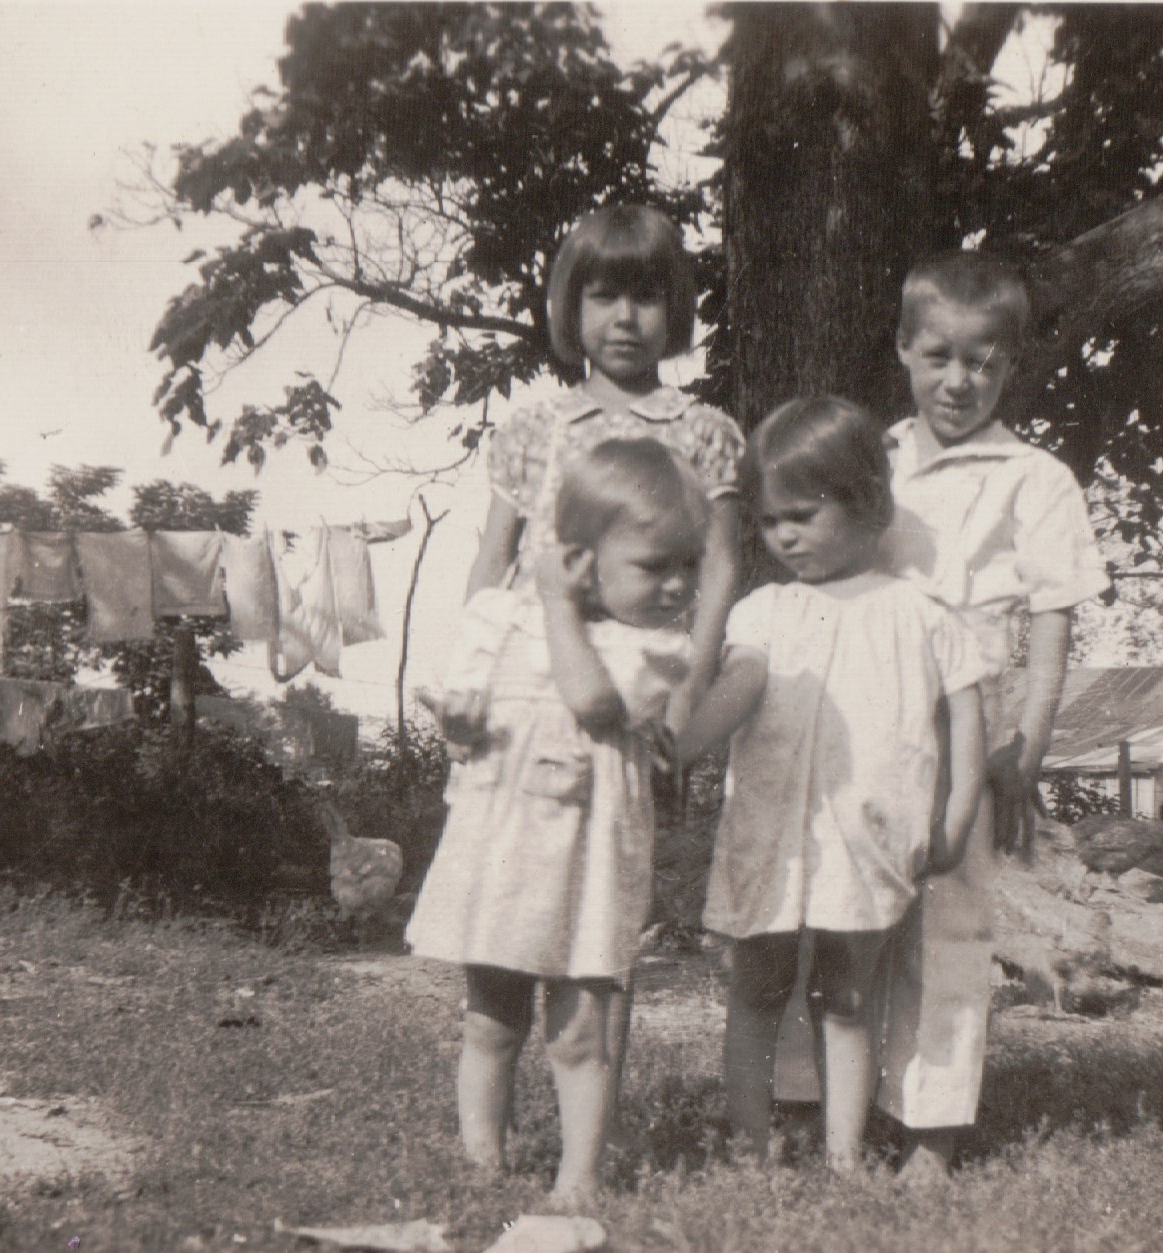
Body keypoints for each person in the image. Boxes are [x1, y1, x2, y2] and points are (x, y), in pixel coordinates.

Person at [462, 202, 746, 1144]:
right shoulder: (536, 426)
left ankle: (590, 1139)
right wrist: (468, 684)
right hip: (528, 694)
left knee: (602, 920)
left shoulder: (702, 432)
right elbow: (491, 564)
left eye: (647, 297)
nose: (625, 318)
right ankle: (485, 1149)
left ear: (676, 310)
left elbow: (719, 572)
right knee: (503, 916)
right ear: (569, 306)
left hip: (635, 693)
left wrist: (688, 695)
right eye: (603, 294)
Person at [677, 396, 989, 1172]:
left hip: (870, 837)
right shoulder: (766, 610)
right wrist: (677, 742)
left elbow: (967, 716)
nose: (782, 535)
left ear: (868, 505)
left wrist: (954, 817)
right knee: (756, 985)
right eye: (769, 519)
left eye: (802, 514)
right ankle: (748, 1150)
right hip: (773, 835)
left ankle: (842, 1156)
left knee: (846, 996)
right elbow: (740, 687)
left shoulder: (919, 613)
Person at [407, 439, 708, 1204]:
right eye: (654, 566)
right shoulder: (505, 619)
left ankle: (578, 1177)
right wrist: (460, 719)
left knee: (580, 1027)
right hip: (503, 848)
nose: (677, 585)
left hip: (587, 861)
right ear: (580, 556)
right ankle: (481, 1158)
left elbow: (596, 705)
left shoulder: (657, 645)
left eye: (688, 565)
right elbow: (467, 724)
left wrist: (553, 604)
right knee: (490, 1018)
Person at [876, 251, 1112, 1179]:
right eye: (938, 355)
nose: (958, 379)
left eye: (982, 361)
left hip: (962, 724)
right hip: (863, 710)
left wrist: (1028, 745)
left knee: (952, 919)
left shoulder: (1034, 476)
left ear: (1009, 366)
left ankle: (930, 1132)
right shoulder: (873, 456)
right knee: (846, 911)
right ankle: (824, 1104)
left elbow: (1053, 616)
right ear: (903, 348)